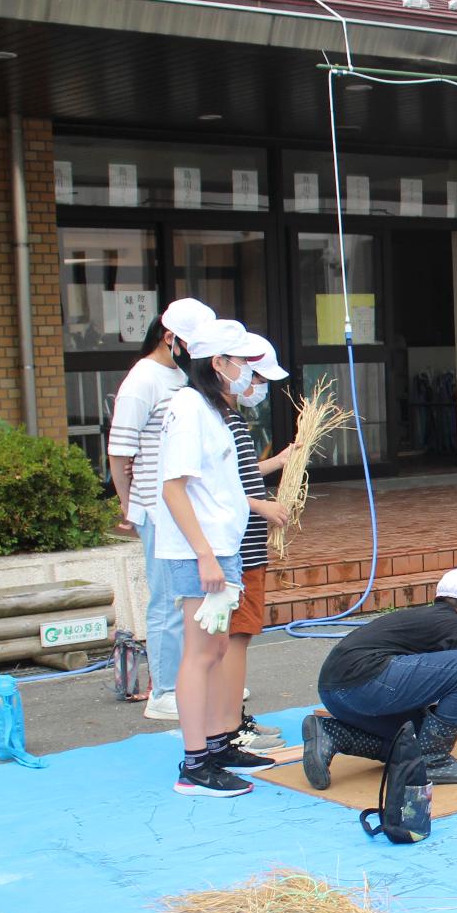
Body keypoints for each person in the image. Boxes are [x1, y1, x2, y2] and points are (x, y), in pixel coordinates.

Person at [153, 318, 272, 797]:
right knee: (201, 654)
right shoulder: (188, 407)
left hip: (222, 547)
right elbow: (173, 487)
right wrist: (204, 555)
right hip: (201, 551)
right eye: (241, 361)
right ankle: (195, 762)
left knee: (217, 648)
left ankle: (218, 744)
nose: (247, 371)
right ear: (217, 363)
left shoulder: (212, 408)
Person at [107, 296, 215, 721]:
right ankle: (164, 690)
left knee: (188, 596)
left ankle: (190, 682)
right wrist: (131, 506)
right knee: (168, 599)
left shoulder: (180, 377)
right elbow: (120, 453)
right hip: (157, 505)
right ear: (170, 338)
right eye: (191, 343)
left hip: (182, 504)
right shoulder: (143, 381)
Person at [303, 567, 457, 789]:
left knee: (411, 743)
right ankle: (433, 761)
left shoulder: (425, 619)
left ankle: (333, 734)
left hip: (334, 691)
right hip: (366, 681)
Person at [221, 329, 294, 758]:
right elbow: (216, 488)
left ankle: (233, 719)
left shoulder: (232, 421)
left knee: (239, 635)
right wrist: (262, 508)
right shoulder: (222, 421)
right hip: (239, 547)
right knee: (236, 636)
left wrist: (282, 460)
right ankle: (229, 727)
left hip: (247, 545)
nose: (257, 388)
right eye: (255, 377)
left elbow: (242, 474)